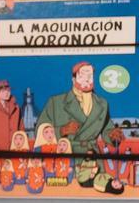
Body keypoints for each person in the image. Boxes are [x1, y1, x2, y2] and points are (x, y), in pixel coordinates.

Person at [36, 61, 126, 193]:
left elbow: (107, 130)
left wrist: (113, 135)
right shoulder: (56, 102)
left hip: (93, 157)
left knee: (95, 191)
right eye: (82, 76)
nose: (86, 80)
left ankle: (110, 186)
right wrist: (62, 130)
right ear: (73, 80)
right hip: (66, 158)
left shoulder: (102, 104)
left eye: (90, 76)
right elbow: (40, 130)